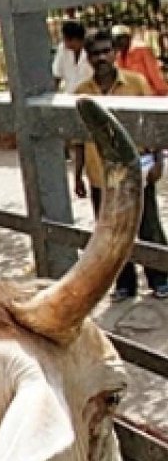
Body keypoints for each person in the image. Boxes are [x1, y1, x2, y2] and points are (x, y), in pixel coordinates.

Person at [73, 28, 167, 300]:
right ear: (88, 59)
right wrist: (77, 175)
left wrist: (159, 160)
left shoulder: (136, 84)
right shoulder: (82, 93)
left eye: (106, 51)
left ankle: (160, 278)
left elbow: (153, 127)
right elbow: (77, 139)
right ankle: (124, 285)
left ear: (115, 53)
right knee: (109, 234)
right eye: (95, 53)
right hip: (100, 175)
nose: (101, 58)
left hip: (136, 173)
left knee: (148, 226)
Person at [113, 23, 168, 96]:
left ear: (128, 37)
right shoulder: (118, 56)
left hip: (149, 93)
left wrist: (162, 91)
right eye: (116, 39)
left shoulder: (142, 50)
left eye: (121, 38)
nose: (119, 42)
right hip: (132, 94)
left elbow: (154, 72)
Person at [52, 19, 91, 93]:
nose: (66, 44)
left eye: (70, 40)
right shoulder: (62, 49)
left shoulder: (91, 51)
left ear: (81, 39)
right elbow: (56, 75)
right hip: (70, 97)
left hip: (90, 96)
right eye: (65, 39)